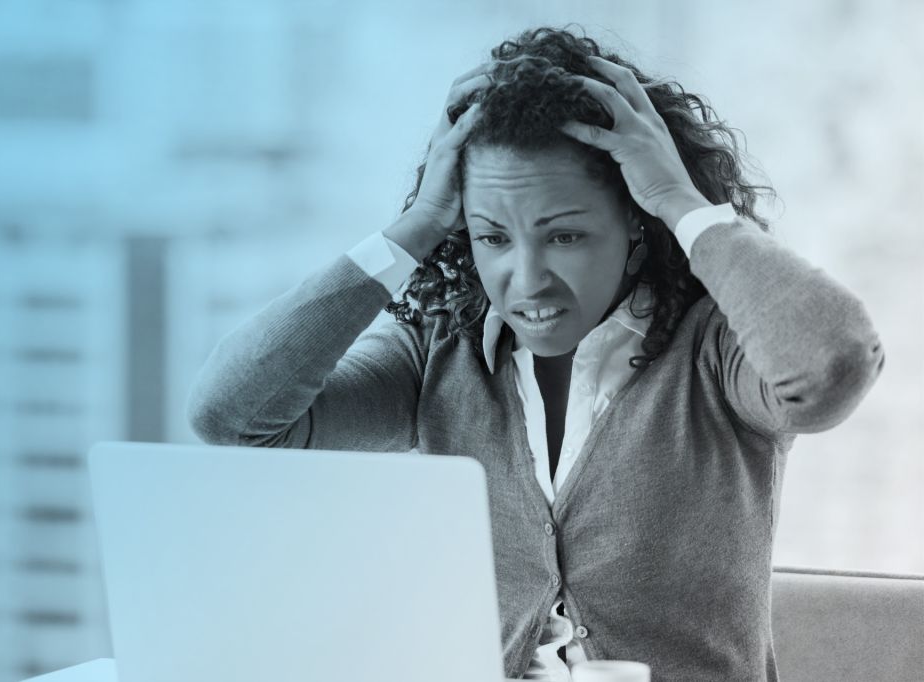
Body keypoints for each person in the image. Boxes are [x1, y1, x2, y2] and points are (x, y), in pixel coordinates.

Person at [186, 26, 884, 682]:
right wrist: (415, 227)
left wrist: (681, 200)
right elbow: (234, 416)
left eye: (565, 237)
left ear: (637, 228)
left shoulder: (716, 352)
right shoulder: (440, 350)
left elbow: (831, 365)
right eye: (493, 238)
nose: (526, 280)